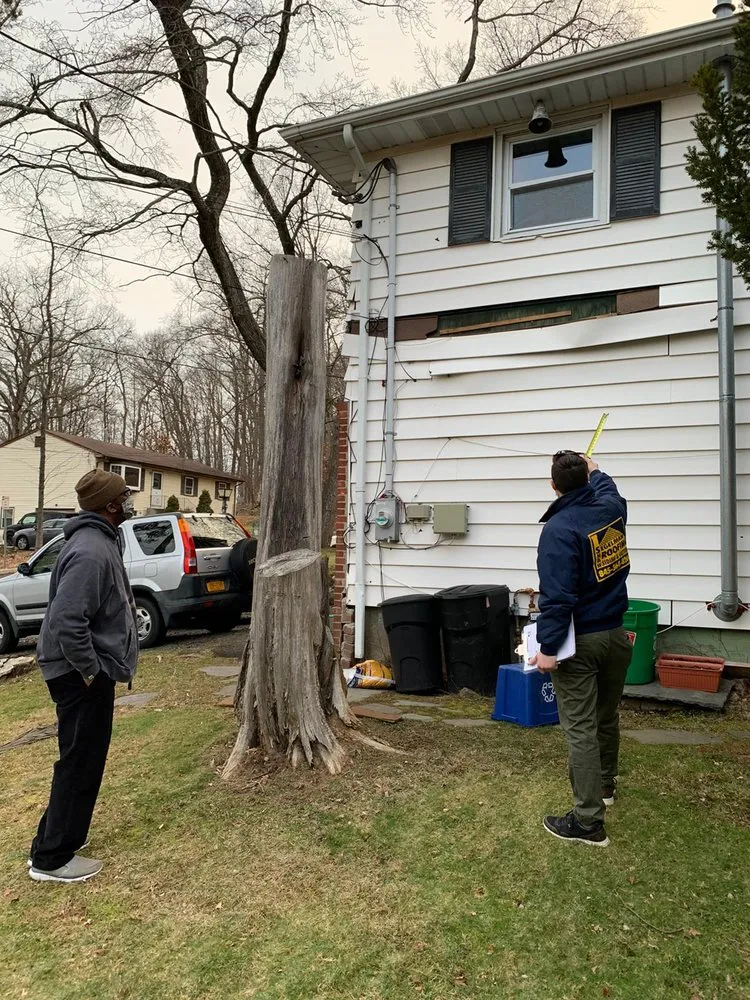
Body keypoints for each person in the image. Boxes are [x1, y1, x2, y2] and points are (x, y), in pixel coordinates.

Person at [28, 470, 138, 883]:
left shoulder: (99, 541)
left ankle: (54, 839)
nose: (130, 501)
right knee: (80, 761)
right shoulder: (91, 550)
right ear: (109, 505)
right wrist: (92, 671)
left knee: (81, 758)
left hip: (82, 672)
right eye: (125, 496)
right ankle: (52, 859)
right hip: (79, 675)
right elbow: (67, 621)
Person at [531, 451, 632, 848]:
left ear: (554, 486)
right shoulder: (610, 509)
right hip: (615, 636)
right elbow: (611, 490)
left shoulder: (559, 529)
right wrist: (597, 469)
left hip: (582, 642)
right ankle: (606, 785)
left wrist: (548, 648)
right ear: (588, 479)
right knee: (606, 715)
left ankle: (588, 821)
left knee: (581, 728)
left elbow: (557, 597)